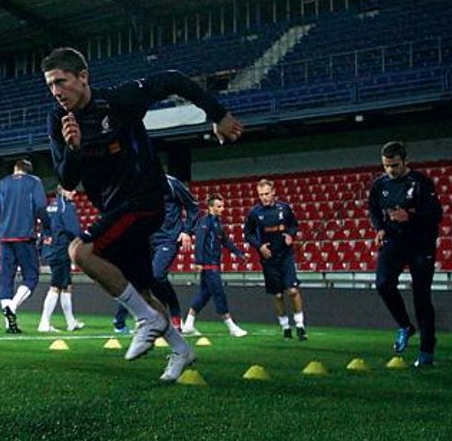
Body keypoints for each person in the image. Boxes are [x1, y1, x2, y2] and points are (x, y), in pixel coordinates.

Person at [43, 46, 243, 382]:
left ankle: (147, 321)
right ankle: (181, 350)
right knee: (144, 290)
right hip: (114, 209)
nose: (56, 91)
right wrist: (73, 149)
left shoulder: (120, 101)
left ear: (83, 77)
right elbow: (66, 179)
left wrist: (218, 114)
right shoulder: (58, 120)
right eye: (50, 85)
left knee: (80, 251)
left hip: (145, 199)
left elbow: (174, 80)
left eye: (61, 82)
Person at [368, 141, 442, 367]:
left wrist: (411, 217)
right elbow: (373, 210)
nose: (391, 170)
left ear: (405, 161)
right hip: (394, 241)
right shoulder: (379, 185)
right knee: (382, 283)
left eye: (395, 165)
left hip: (420, 244)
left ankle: (427, 349)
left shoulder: (421, 183)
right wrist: (379, 228)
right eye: (386, 165)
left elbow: (435, 214)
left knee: (421, 297)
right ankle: (405, 326)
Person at [113, 173, 198, 332]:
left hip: (168, 239)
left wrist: (187, 231)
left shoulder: (171, 183)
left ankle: (174, 312)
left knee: (157, 274)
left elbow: (193, 205)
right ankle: (126, 321)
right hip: (146, 238)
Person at [0, 158, 50, 334]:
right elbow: (40, 207)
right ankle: (13, 308)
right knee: (31, 277)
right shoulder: (34, 182)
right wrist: (47, 230)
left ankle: (10, 325)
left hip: (5, 239)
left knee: (6, 281)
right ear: (29, 170)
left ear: (15, 169)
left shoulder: (2, 184)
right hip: (25, 237)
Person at [244, 179, 308, 340]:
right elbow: (248, 234)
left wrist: (290, 235)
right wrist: (260, 246)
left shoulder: (284, 208)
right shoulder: (254, 213)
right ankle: (285, 327)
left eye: (266, 194)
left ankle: (300, 325)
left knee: (293, 291)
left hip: (286, 255)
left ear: (273, 192)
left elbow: (294, 224)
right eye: (261, 195)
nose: (264, 197)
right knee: (278, 295)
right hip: (268, 259)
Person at [181, 193, 248, 337]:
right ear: (210, 207)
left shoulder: (217, 223)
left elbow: (226, 241)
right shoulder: (205, 222)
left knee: (204, 295)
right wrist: (198, 262)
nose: (222, 209)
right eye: (219, 206)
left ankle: (188, 324)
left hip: (214, 264)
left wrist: (239, 253)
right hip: (208, 265)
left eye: (222, 206)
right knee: (219, 293)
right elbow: (199, 242)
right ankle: (231, 326)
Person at [37, 185, 85, 333]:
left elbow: (45, 227)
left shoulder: (51, 205)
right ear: (62, 190)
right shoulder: (66, 206)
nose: (74, 192)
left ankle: (71, 322)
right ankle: (44, 323)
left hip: (51, 249)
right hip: (61, 249)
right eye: (71, 190)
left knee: (66, 285)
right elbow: (73, 229)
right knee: (56, 285)